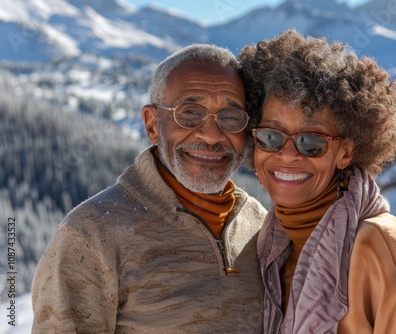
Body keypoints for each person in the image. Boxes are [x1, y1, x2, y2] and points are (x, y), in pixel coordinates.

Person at [31, 44, 268, 333]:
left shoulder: (259, 223)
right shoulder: (92, 233)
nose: (212, 135)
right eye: (190, 113)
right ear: (152, 124)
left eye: (230, 117)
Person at [238, 29, 396, 333]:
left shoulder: (379, 244)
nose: (288, 155)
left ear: (345, 152)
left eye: (311, 142)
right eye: (270, 137)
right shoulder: (270, 244)